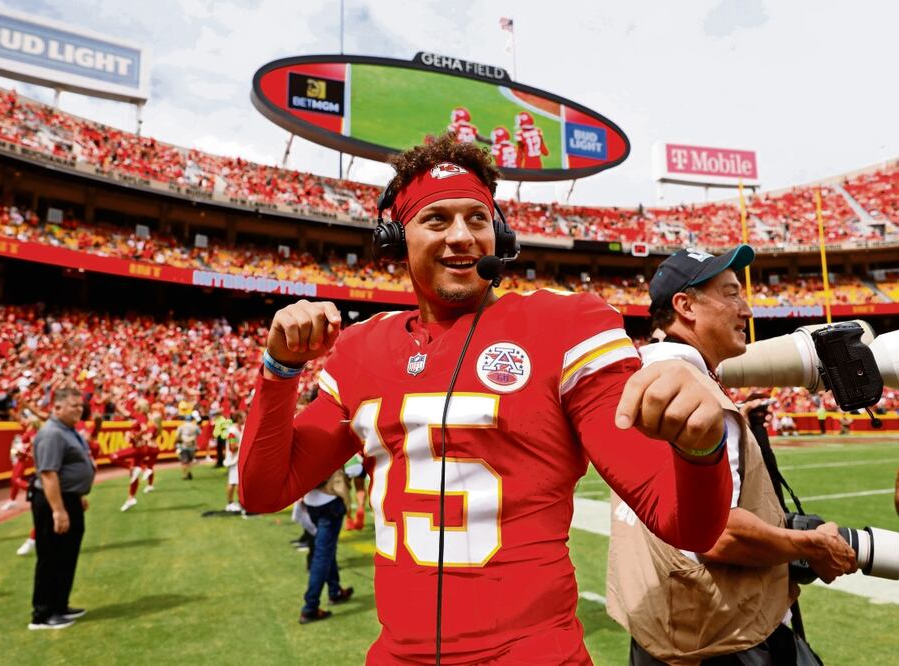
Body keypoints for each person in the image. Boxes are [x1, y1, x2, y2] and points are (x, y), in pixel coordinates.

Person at [239, 136, 733, 664]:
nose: (462, 236)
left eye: (477, 218)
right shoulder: (364, 349)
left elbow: (688, 525)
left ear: (498, 232)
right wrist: (280, 371)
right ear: (395, 238)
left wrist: (700, 449)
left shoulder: (564, 325)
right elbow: (263, 491)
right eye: (436, 219)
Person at [607, 245, 858, 664]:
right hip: (722, 640)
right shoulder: (696, 396)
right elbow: (717, 533)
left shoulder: (642, 374)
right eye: (730, 294)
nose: (747, 310)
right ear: (686, 306)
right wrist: (810, 545)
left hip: (657, 630)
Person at [29, 387, 96, 630]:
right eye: (73, 406)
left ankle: (59, 606)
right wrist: (58, 509)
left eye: (80, 406)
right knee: (51, 557)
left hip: (69, 498)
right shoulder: (52, 434)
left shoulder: (67, 431)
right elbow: (48, 473)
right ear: (56, 407)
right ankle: (43, 614)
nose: (79, 409)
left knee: (66, 556)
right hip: (53, 502)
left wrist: (76, 496)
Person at [299, 467, 354, 623]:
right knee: (322, 555)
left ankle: (335, 590)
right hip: (329, 500)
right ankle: (310, 607)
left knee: (327, 549)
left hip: (311, 501)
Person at [224, 412, 244, 512]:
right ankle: (231, 503)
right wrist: (243, 445)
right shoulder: (232, 431)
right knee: (233, 482)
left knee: (236, 482)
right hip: (233, 460)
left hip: (238, 459)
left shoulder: (240, 429)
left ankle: (236, 502)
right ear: (239, 418)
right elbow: (232, 447)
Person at [175, 412, 201, 480]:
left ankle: (185, 474)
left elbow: (177, 436)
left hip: (184, 445)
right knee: (190, 460)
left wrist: (177, 442)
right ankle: (189, 471)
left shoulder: (181, 426)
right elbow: (199, 433)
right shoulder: (195, 426)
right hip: (192, 445)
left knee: (184, 461)